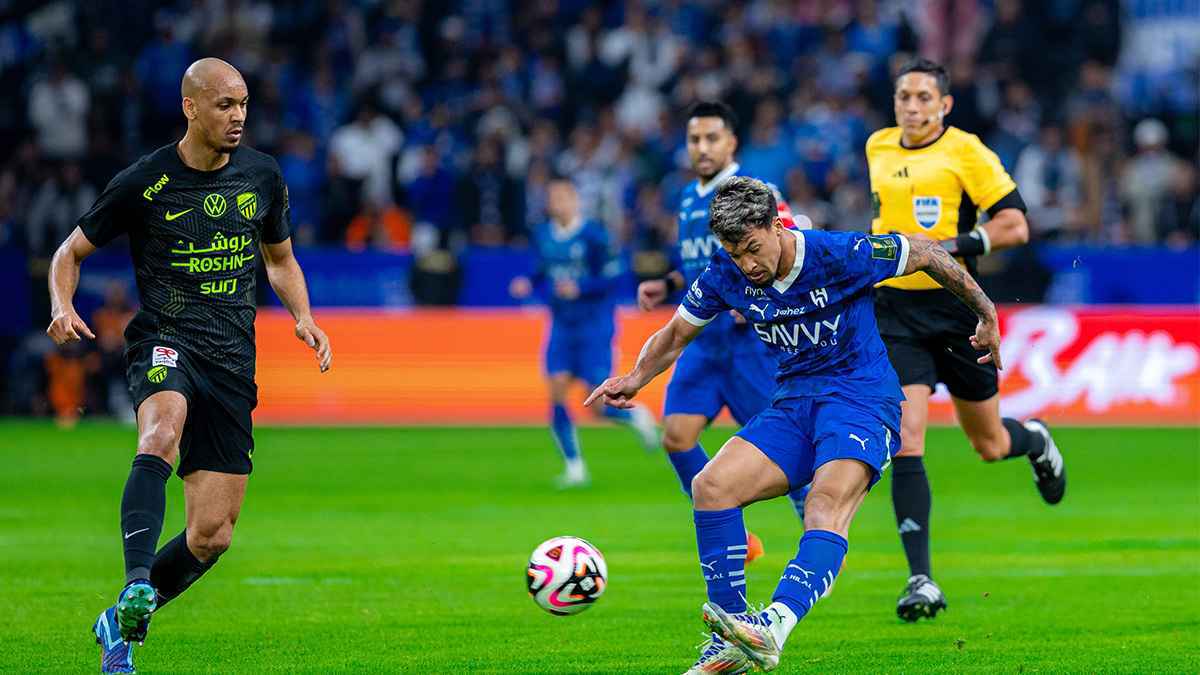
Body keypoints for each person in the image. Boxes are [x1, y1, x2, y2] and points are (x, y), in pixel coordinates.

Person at [587, 176, 1005, 672]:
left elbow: (926, 252)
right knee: (711, 486)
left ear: (775, 225)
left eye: (752, 248)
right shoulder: (727, 272)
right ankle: (733, 636)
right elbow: (677, 333)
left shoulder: (839, 253)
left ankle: (774, 627)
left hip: (861, 400)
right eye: (735, 253)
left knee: (825, 505)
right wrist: (635, 378)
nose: (747, 264)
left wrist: (986, 314)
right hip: (794, 401)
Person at [45, 58, 332, 674]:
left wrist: (303, 316)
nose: (238, 117)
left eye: (244, 105)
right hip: (166, 341)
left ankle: (116, 622)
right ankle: (134, 586)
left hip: (232, 361)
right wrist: (61, 303)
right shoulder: (145, 182)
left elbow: (279, 259)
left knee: (212, 535)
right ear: (191, 108)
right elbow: (70, 252)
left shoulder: (262, 175)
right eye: (225, 105)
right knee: (162, 430)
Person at [866, 57, 1066, 622]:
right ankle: (920, 579)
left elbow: (1015, 225)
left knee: (989, 445)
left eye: (924, 97)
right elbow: (886, 221)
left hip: (958, 310)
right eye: (904, 95)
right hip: (896, 309)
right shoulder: (877, 147)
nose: (912, 105)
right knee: (906, 436)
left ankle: (1034, 439)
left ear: (945, 105)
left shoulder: (966, 151)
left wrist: (946, 250)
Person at [637, 101, 807, 562]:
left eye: (712, 138)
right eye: (695, 139)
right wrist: (669, 283)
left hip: (751, 344)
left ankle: (816, 526)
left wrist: (761, 297)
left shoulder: (754, 191)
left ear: (731, 142)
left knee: (786, 445)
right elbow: (700, 262)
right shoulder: (689, 195)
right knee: (676, 435)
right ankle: (737, 535)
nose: (702, 147)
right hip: (703, 341)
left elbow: (797, 236)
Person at [510, 175, 657, 487]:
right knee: (557, 391)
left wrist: (581, 287)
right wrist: (529, 282)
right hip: (562, 325)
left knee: (599, 405)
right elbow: (541, 268)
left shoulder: (593, 235)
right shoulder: (543, 235)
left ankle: (635, 416)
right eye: (553, 198)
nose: (557, 203)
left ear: (575, 200)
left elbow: (615, 277)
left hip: (594, 326)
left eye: (563, 197)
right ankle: (575, 467)